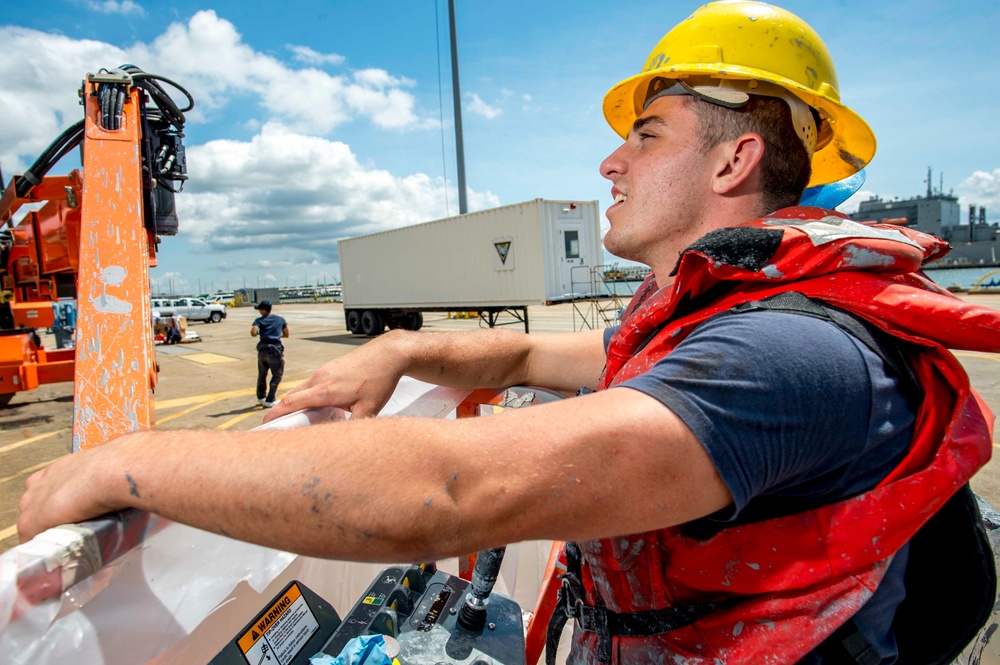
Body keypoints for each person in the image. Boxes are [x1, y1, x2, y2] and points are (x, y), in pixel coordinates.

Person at [17, 2, 1000, 663]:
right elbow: (527, 352)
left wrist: (128, 463)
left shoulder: (781, 355)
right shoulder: (700, 323)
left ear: (736, 156)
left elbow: (454, 489)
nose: (610, 162)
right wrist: (400, 348)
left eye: (646, 133)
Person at [251, 300, 289, 407]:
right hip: (275, 350)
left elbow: (253, 333)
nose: (259, 311)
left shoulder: (259, 320)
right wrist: (276, 335)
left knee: (262, 374)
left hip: (262, 350)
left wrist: (260, 332)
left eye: (259, 309)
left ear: (263, 310)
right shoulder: (280, 319)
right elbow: (286, 334)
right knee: (277, 375)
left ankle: (261, 396)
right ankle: (270, 398)